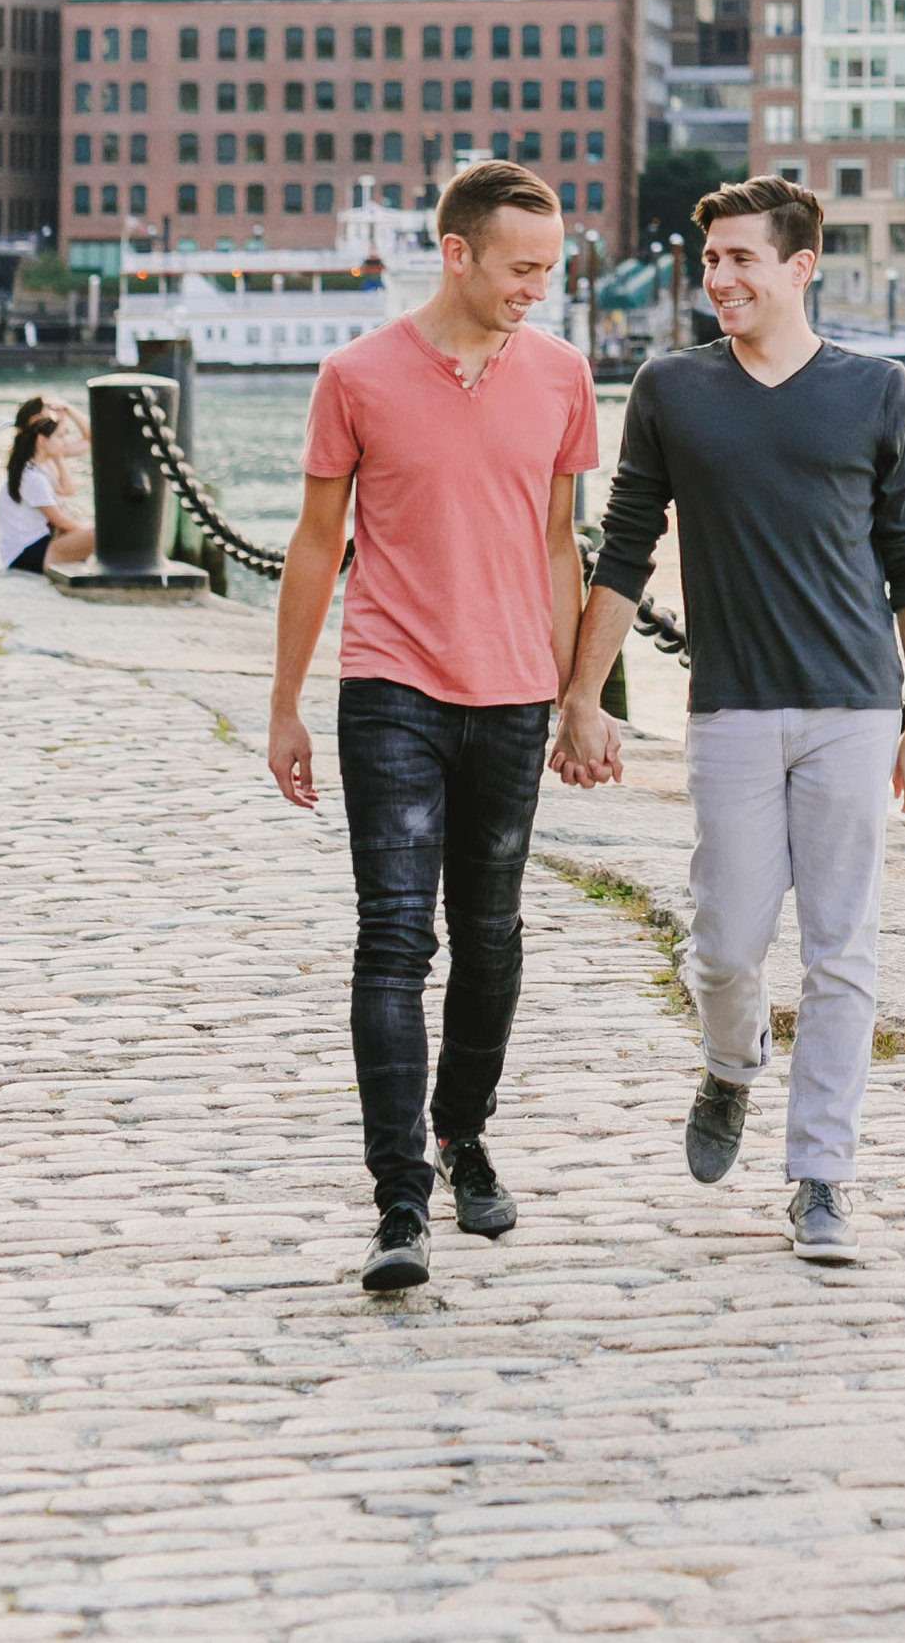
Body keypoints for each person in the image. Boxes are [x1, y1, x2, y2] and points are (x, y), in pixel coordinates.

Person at [557, 175, 905, 1267]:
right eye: (710, 262)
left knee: (841, 951)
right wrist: (582, 695)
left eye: (740, 261)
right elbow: (624, 549)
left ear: (799, 268)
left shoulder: (878, 391)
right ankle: (730, 1068)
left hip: (853, 710)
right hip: (727, 710)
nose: (718, 279)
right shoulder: (672, 390)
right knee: (725, 946)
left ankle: (822, 1174)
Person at [266, 159, 617, 1297]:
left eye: (551, 270)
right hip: (392, 690)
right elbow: (317, 545)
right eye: (521, 269)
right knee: (394, 941)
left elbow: (563, 545)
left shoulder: (564, 374)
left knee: (495, 937)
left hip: (516, 693)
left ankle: (461, 1133)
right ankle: (398, 1202)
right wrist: (285, 708)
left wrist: (581, 696)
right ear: (456, 252)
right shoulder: (356, 375)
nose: (539, 289)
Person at [0, 400, 94, 574]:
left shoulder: (35, 465)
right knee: (104, 535)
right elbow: (61, 522)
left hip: (32, 546)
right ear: (41, 437)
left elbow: (68, 490)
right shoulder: (32, 476)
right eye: (60, 437)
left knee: (97, 532)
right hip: (27, 553)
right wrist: (86, 533)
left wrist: (68, 410)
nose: (64, 442)